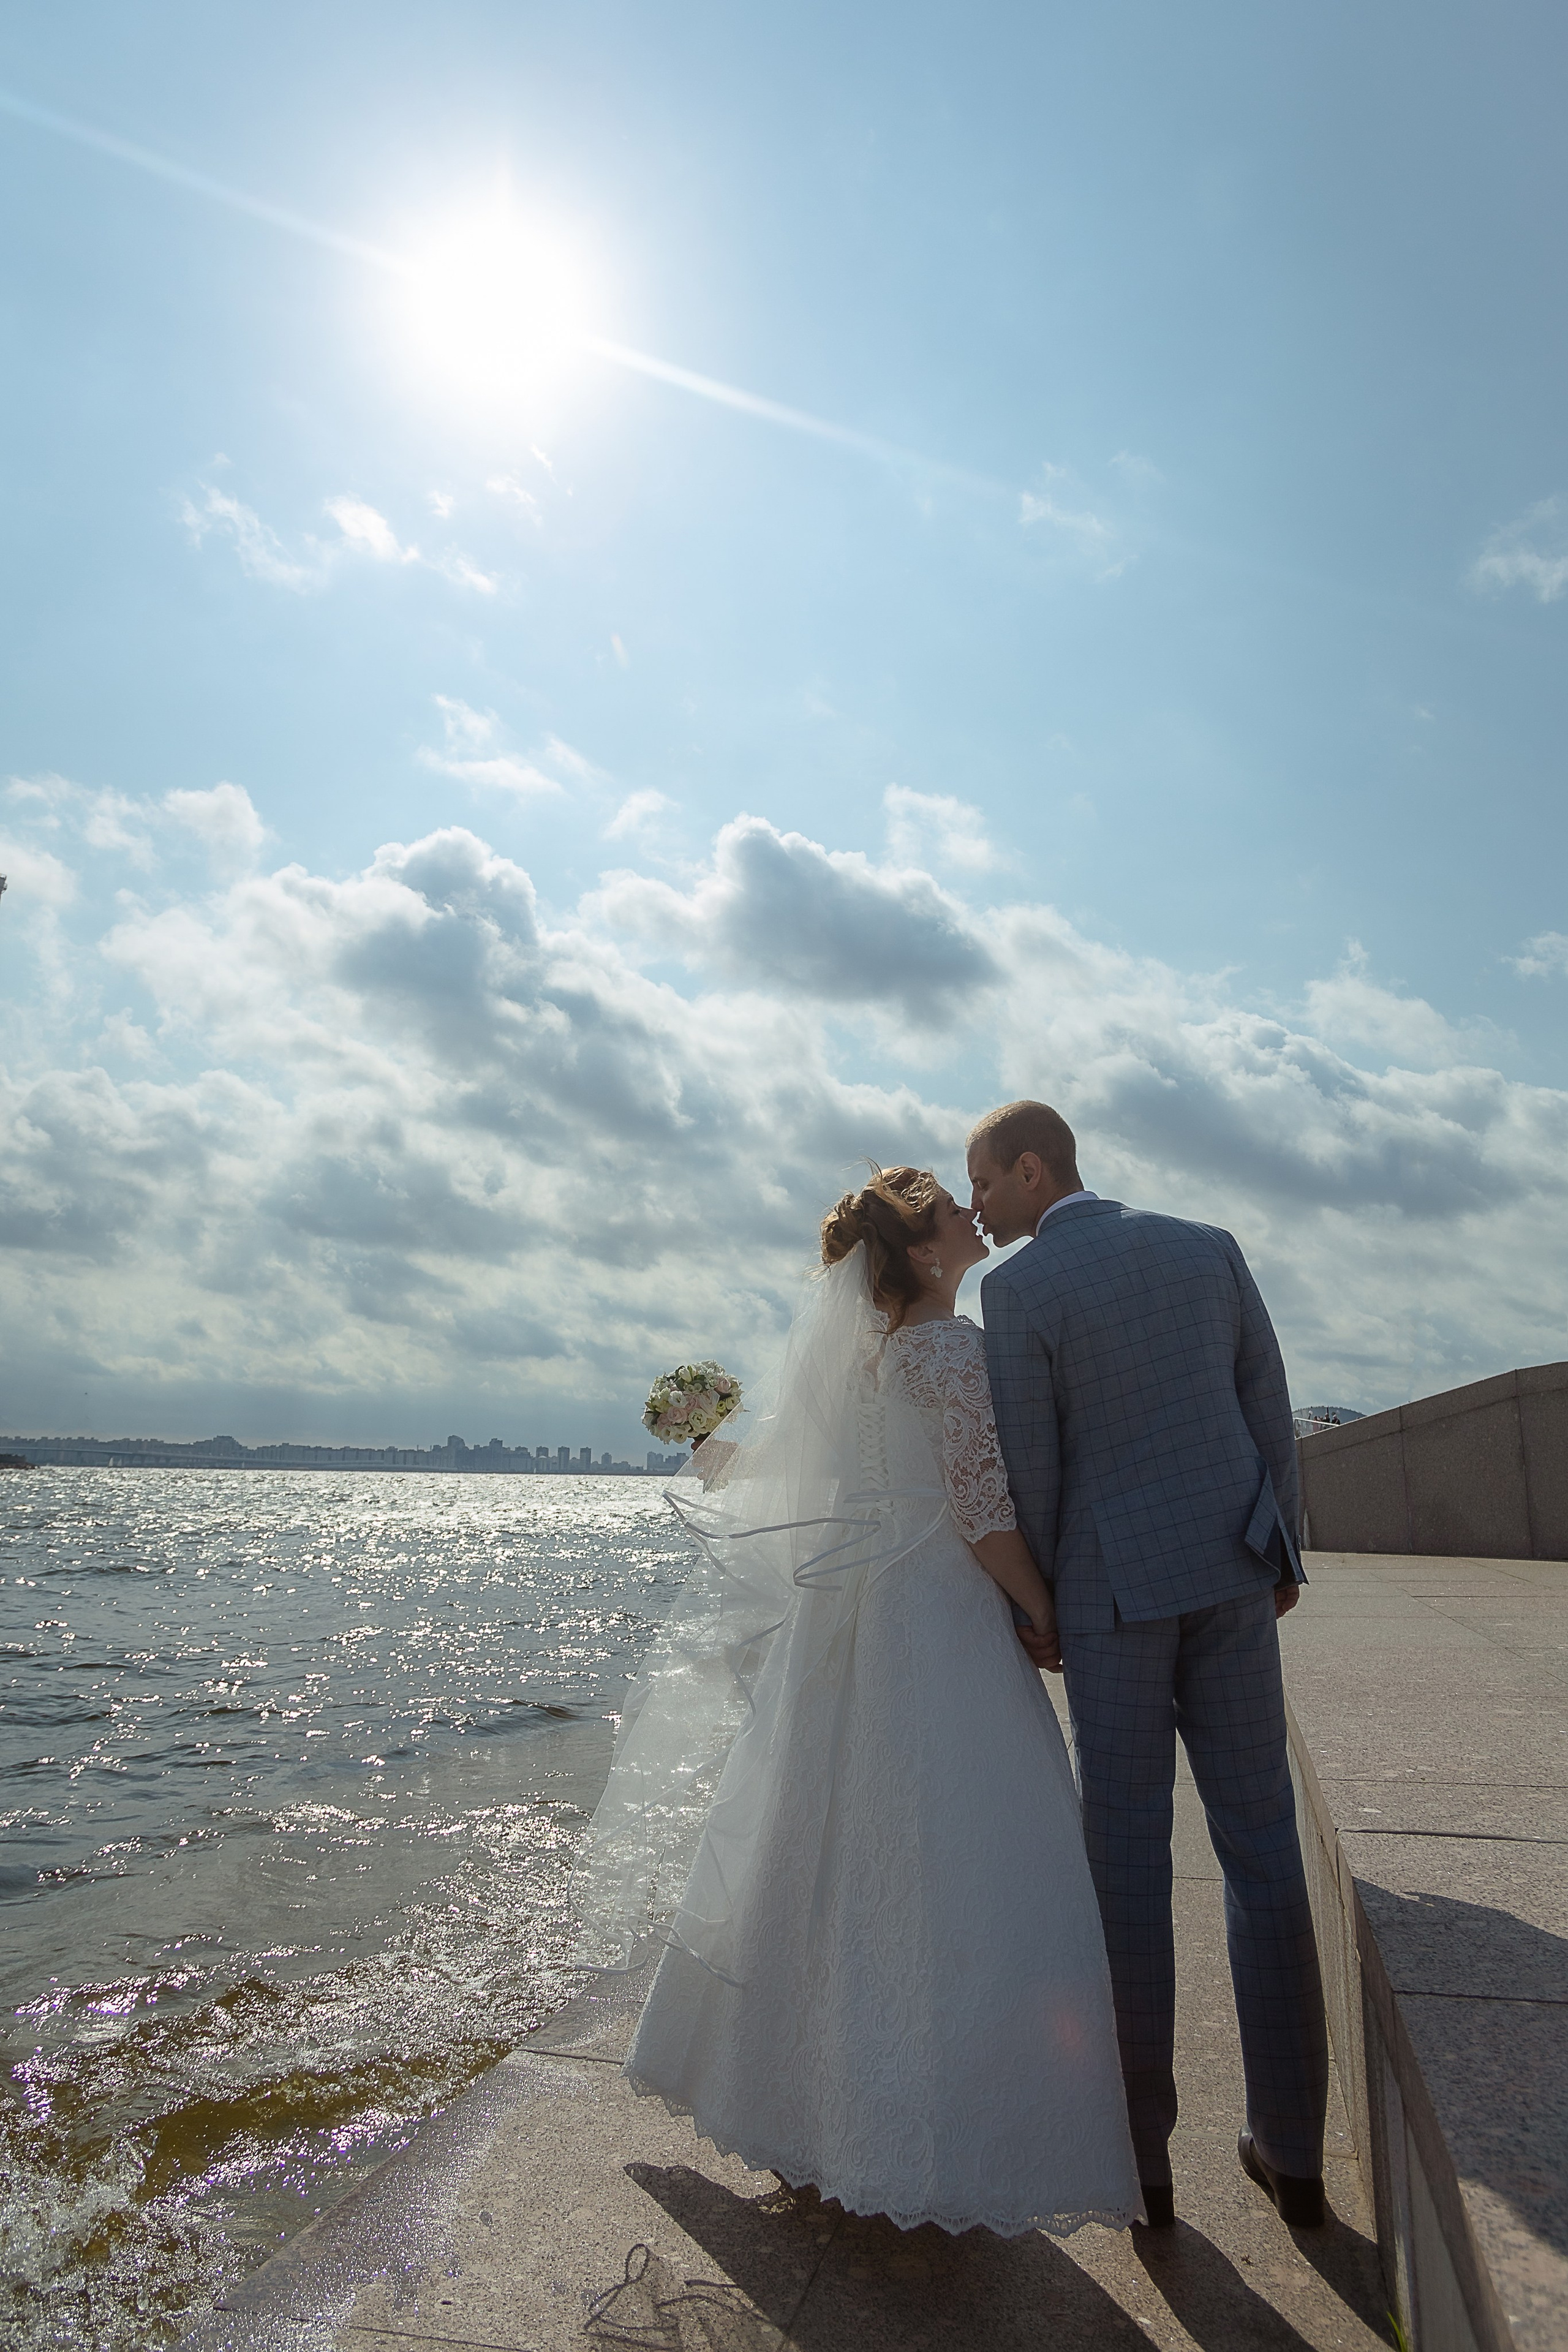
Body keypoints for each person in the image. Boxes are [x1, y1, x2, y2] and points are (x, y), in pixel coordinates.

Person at [573, 1167, 1143, 2237]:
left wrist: (707, 1437)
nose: (971, 1216)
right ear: (924, 1255)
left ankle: (800, 2098)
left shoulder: (870, 1362)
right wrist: (1042, 1608)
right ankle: (927, 2130)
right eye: (948, 1211)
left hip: (857, 1626)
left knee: (830, 1855)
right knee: (953, 1864)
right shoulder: (948, 1353)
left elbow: (801, 1479)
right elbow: (979, 1511)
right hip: (938, 1625)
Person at [968, 1100, 1330, 2230]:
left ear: (1035, 1170)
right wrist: (1284, 1554)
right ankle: (1294, 2151)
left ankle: (1142, 2162)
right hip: (1232, 1575)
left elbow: (1032, 1469)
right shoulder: (1206, 1246)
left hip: (1115, 1599)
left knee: (1125, 1872)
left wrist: (1038, 1614)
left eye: (983, 1182)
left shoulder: (1018, 1293)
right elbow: (1267, 1410)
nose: (975, 1206)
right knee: (1264, 1854)